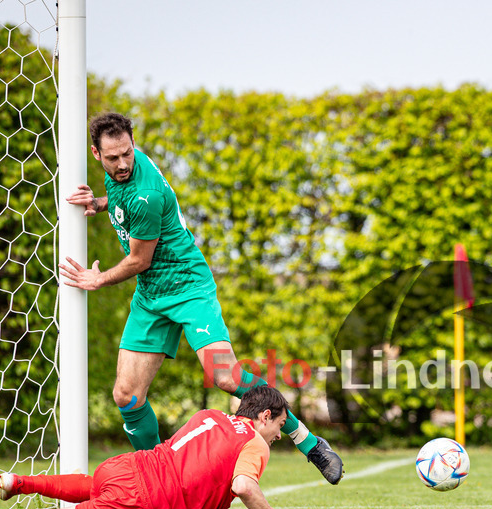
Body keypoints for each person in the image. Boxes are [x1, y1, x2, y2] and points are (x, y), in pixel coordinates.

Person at [61, 112, 342, 485]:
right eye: (113, 158)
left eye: (127, 154)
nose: (123, 163)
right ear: (96, 154)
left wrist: (97, 279)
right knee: (127, 396)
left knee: (225, 376)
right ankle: (155, 483)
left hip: (188, 287)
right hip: (151, 295)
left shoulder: (146, 194)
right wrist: (98, 204)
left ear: (133, 144)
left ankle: (307, 441)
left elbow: (138, 259)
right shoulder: (124, 175)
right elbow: (121, 206)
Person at [0, 385, 324, 509]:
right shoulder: (256, 443)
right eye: (280, 426)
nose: (279, 435)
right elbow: (241, 486)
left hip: (128, 466)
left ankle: (23, 482)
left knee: (91, 483)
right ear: (265, 416)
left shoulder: (210, 415)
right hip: (139, 500)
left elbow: (198, 475)